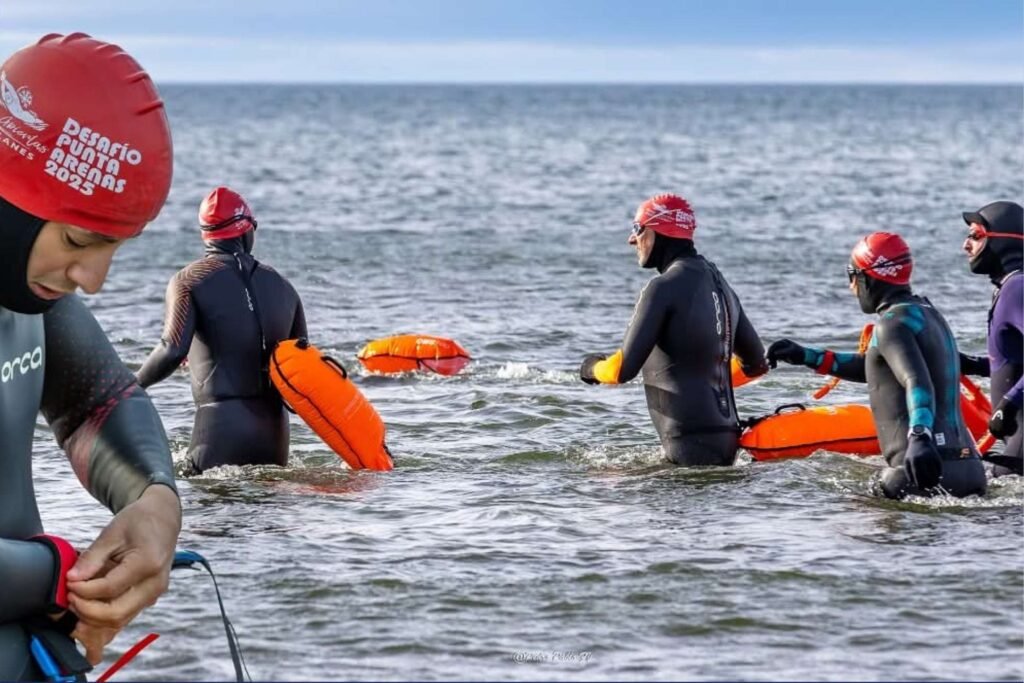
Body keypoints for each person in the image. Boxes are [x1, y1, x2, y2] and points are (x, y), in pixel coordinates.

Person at [0, 33, 181, 679]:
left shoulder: (22, 297)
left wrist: (153, 505)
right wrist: (62, 578)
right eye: (78, 240)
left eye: (114, 247)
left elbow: (96, 401)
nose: (94, 280)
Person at [767, 232, 987, 499]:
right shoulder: (928, 314)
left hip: (919, 472)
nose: (851, 287)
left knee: (825, 502)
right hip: (971, 471)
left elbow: (916, 382)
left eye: (851, 275)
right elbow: (879, 370)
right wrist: (806, 356)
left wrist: (919, 436)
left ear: (866, 278)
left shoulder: (891, 324)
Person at [578, 193, 768, 466]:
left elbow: (621, 370)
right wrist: (706, 380)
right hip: (727, 442)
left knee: (594, 481)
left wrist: (590, 368)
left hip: (687, 449)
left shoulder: (663, 288)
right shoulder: (721, 285)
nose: (632, 239)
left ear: (659, 229)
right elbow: (757, 365)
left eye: (638, 228)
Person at [137, 186, 307, 473]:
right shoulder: (284, 287)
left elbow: (172, 350)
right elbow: (302, 368)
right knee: (267, 498)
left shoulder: (189, 281)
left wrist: (131, 387)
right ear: (247, 230)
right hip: (275, 435)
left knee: (201, 493)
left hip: (219, 431)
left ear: (206, 235)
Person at [957, 201, 1023, 475]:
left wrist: (1009, 404)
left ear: (1002, 242)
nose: (966, 245)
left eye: (976, 236)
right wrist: (972, 365)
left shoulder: (1017, 288)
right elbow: (1015, 362)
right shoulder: (1009, 287)